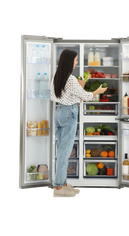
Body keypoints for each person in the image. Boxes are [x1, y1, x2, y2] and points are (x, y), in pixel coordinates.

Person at [50, 49, 108, 197]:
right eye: (75, 60)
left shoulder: (57, 76)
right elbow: (87, 96)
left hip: (59, 112)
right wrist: (98, 91)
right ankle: (58, 188)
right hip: (69, 113)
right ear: (70, 61)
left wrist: (73, 99)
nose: (76, 62)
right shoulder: (71, 79)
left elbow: (53, 96)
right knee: (64, 152)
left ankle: (63, 184)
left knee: (62, 150)